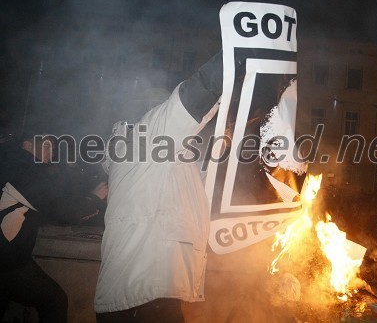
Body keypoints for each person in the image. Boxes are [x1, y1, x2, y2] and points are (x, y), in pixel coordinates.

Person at [94, 51, 224, 322]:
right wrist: (237, 56)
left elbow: (210, 180)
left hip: (146, 294)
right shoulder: (145, 143)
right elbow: (195, 97)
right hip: (140, 298)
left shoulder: (166, 160)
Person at [0, 133, 108, 322]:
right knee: (54, 300)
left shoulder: (13, 165)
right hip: (6, 261)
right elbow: (59, 208)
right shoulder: (22, 170)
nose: (52, 152)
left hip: (9, 256)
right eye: (47, 146)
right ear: (26, 145)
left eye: (53, 148)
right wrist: (93, 199)